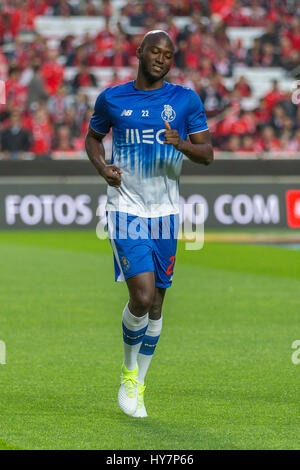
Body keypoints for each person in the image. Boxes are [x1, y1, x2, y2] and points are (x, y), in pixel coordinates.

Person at [85, 30, 213, 418]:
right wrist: (103, 167)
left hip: (165, 213)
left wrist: (183, 145)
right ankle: (127, 372)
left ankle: (139, 382)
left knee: (156, 303)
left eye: (168, 55)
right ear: (139, 53)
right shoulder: (112, 98)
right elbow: (92, 139)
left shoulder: (185, 100)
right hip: (125, 207)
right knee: (140, 296)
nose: (161, 59)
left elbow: (207, 154)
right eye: (155, 52)